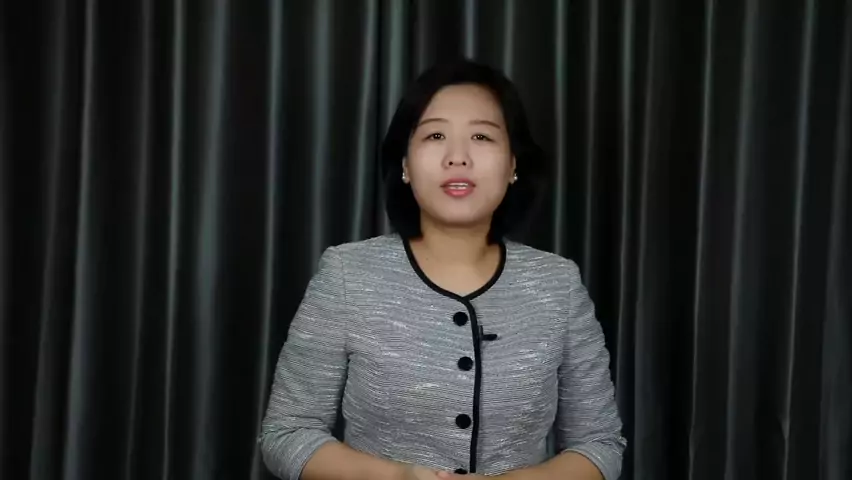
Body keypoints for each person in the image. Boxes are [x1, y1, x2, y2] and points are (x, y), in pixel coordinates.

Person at [258, 58, 626, 480]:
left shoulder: (557, 284)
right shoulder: (347, 273)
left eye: (481, 136)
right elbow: (287, 433)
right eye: (435, 135)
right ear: (405, 165)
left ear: (513, 165)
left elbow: (600, 443)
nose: (457, 158)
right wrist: (399, 478)